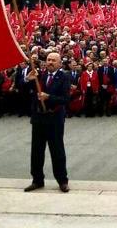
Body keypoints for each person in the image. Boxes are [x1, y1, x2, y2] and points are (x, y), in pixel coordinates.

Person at [24, 52, 71, 193]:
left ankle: (62, 181)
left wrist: (48, 97)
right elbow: (25, 91)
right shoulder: (39, 75)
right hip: (39, 119)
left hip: (54, 119)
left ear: (59, 63)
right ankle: (37, 180)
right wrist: (27, 80)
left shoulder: (64, 77)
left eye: (53, 60)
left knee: (57, 151)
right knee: (37, 151)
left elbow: (65, 99)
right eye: (48, 59)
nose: (50, 62)